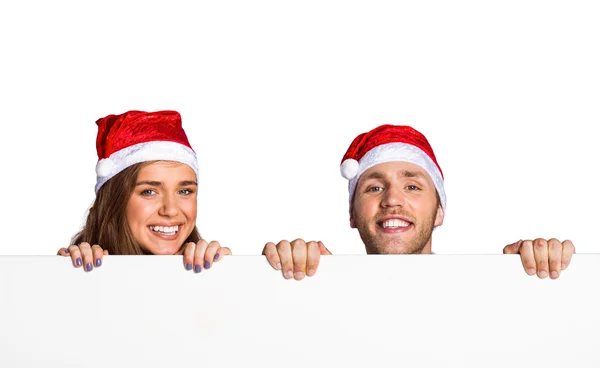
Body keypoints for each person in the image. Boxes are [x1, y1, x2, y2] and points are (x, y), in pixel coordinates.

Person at [262, 124, 575, 280]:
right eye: (373, 188)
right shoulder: (319, 296)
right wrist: (246, 276)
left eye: (411, 185)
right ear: (352, 214)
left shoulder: (490, 294)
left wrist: (545, 275)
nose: (392, 200)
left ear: (440, 211)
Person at [57, 110, 231, 273]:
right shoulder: (78, 268)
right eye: (149, 191)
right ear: (114, 202)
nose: (170, 210)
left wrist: (234, 277)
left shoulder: (213, 268)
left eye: (184, 191)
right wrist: (66, 277)